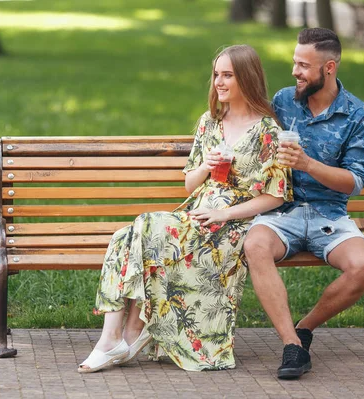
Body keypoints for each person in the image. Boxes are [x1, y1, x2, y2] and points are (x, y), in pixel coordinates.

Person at [78, 44, 293, 373]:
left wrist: (224, 214)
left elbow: (275, 196)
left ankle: (128, 337)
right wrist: (206, 167)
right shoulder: (211, 122)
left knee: (144, 226)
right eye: (216, 74)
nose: (218, 82)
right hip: (197, 215)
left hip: (231, 225)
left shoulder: (269, 133)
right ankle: (114, 338)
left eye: (227, 75)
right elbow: (190, 186)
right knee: (126, 236)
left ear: (247, 79)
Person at [243, 28, 364, 379]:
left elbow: (355, 182)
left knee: (363, 267)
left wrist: (308, 164)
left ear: (329, 68)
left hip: (329, 215)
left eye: (303, 65)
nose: (295, 72)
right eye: (294, 62)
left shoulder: (359, 117)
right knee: (255, 244)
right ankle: (292, 347)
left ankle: (304, 329)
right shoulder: (283, 101)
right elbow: (257, 144)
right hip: (281, 211)